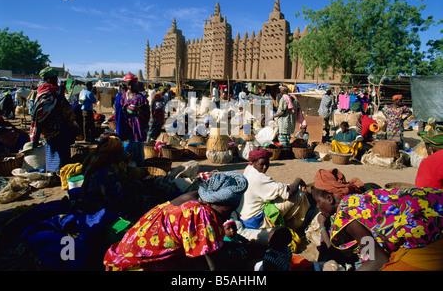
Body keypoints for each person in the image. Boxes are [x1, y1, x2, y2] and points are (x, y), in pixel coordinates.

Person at [103, 171, 248, 271]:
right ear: (217, 202)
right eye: (228, 211)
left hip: (125, 257)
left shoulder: (194, 197)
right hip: (136, 266)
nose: (229, 217)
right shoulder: (201, 214)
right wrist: (241, 253)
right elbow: (215, 266)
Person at [312, 168, 443, 271]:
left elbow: (378, 260)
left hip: (434, 222)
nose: (317, 207)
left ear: (329, 198)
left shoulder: (346, 217)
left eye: (318, 202)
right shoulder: (352, 200)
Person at [237, 148, 310, 237]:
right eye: (262, 164)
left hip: (245, 216)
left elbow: (276, 187)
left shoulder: (249, 169)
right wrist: (298, 180)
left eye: (267, 164)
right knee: (299, 196)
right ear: (254, 162)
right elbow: (289, 192)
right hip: (256, 220)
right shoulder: (259, 178)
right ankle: (294, 228)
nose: (265, 167)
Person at [29, 67, 75, 172]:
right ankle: (55, 171)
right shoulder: (45, 92)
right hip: (52, 127)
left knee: (63, 150)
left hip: (62, 126)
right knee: (54, 150)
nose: (56, 80)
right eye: (54, 78)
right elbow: (42, 112)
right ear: (48, 79)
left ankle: (63, 170)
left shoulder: (56, 90)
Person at [119, 73, 149, 166]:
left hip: (138, 125)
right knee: (129, 147)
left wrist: (138, 112)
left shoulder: (141, 98)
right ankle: (131, 166)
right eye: (128, 84)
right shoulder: (124, 96)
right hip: (127, 125)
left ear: (136, 83)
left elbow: (147, 113)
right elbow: (120, 109)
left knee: (138, 146)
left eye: (132, 83)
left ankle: (140, 166)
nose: (130, 86)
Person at [274, 85, 298, 155]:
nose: (281, 92)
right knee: (287, 138)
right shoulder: (294, 99)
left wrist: (274, 116)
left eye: (282, 90)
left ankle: (284, 153)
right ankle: (287, 153)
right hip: (290, 122)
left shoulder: (284, 99)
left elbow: (282, 111)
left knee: (282, 138)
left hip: (283, 122)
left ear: (285, 91)